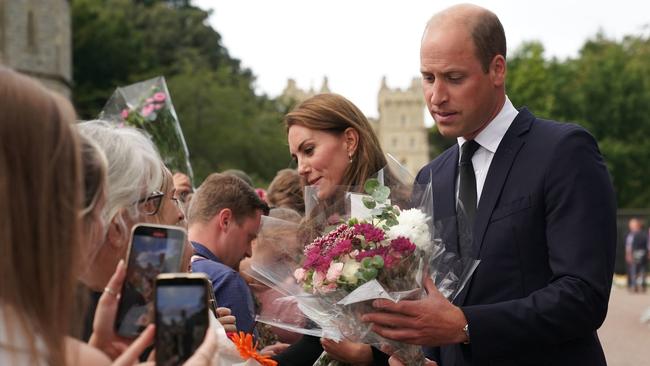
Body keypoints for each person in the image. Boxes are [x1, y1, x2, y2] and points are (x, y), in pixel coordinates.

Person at [362, 4, 617, 366]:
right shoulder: (430, 177)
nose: (436, 97)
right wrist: (420, 356)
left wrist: (466, 326)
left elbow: (583, 296)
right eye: (428, 78)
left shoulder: (563, 151)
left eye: (453, 77)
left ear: (497, 69)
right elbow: (438, 303)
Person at [274, 93, 398, 365]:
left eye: (308, 151)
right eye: (295, 158)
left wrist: (370, 358)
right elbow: (316, 339)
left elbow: (425, 335)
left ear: (350, 141)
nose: (301, 169)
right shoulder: (318, 227)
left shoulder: (398, 217)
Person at [188, 173, 270, 335]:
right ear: (225, 220)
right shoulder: (226, 280)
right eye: (249, 237)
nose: (249, 252)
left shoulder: (161, 266)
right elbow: (244, 358)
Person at [626, 218, 648, 293]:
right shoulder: (645, 234)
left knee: (634, 270)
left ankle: (634, 285)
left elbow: (629, 246)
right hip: (643, 253)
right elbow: (648, 245)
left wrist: (629, 254)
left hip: (635, 253)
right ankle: (642, 286)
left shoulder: (632, 235)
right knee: (642, 270)